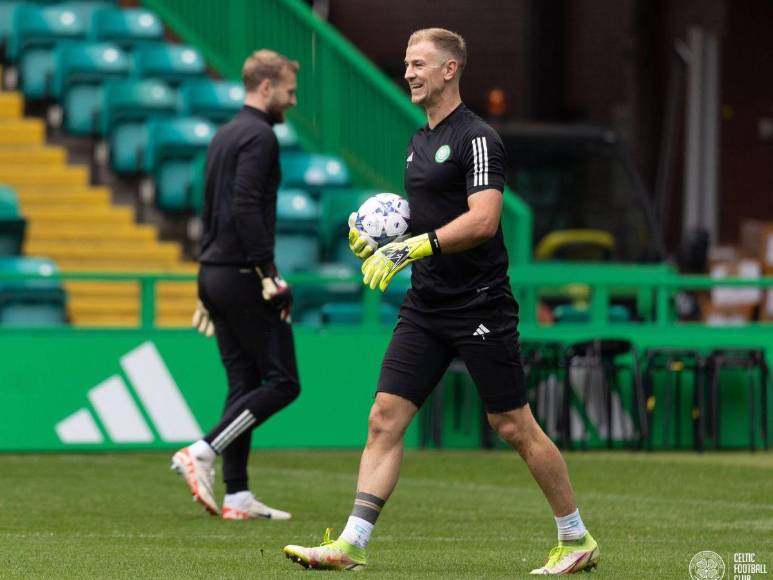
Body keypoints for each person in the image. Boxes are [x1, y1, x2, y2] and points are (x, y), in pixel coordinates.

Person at [283, 29, 599, 574]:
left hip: (479, 304)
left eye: (419, 63)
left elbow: (484, 220)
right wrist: (381, 231)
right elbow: (429, 210)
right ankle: (352, 544)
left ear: (450, 70)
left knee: (511, 425)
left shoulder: (479, 138)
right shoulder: (417, 139)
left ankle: (575, 538)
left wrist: (412, 245)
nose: (408, 72)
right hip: (427, 305)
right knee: (384, 416)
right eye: (407, 63)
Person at [171, 49, 300, 521]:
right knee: (283, 383)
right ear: (266, 87)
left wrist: (212, 275)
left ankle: (238, 495)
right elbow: (245, 207)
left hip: (215, 271)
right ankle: (202, 451)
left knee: (245, 382)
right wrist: (270, 275)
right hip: (242, 273)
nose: (292, 100)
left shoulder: (224, 134)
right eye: (289, 91)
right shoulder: (261, 136)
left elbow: (212, 208)